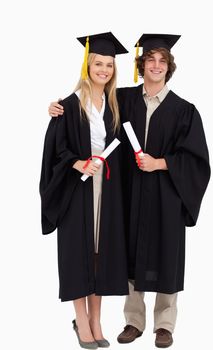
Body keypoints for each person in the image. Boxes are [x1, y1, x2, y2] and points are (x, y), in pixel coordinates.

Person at [48, 33, 211, 348]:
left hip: (167, 195)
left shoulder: (185, 110)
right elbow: (91, 106)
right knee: (130, 254)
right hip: (130, 194)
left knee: (166, 254)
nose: (156, 65)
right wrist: (57, 107)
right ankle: (133, 322)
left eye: (162, 60)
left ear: (169, 66)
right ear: (141, 64)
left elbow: (198, 160)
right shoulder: (122, 100)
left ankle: (164, 325)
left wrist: (161, 163)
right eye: (150, 59)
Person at [40, 32, 129, 349]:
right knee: (78, 252)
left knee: (100, 253)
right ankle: (81, 318)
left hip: (106, 187)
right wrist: (75, 164)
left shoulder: (116, 105)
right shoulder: (66, 106)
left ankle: (95, 319)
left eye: (109, 64)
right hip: (75, 189)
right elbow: (56, 149)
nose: (103, 69)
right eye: (98, 63)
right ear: (87, 66)